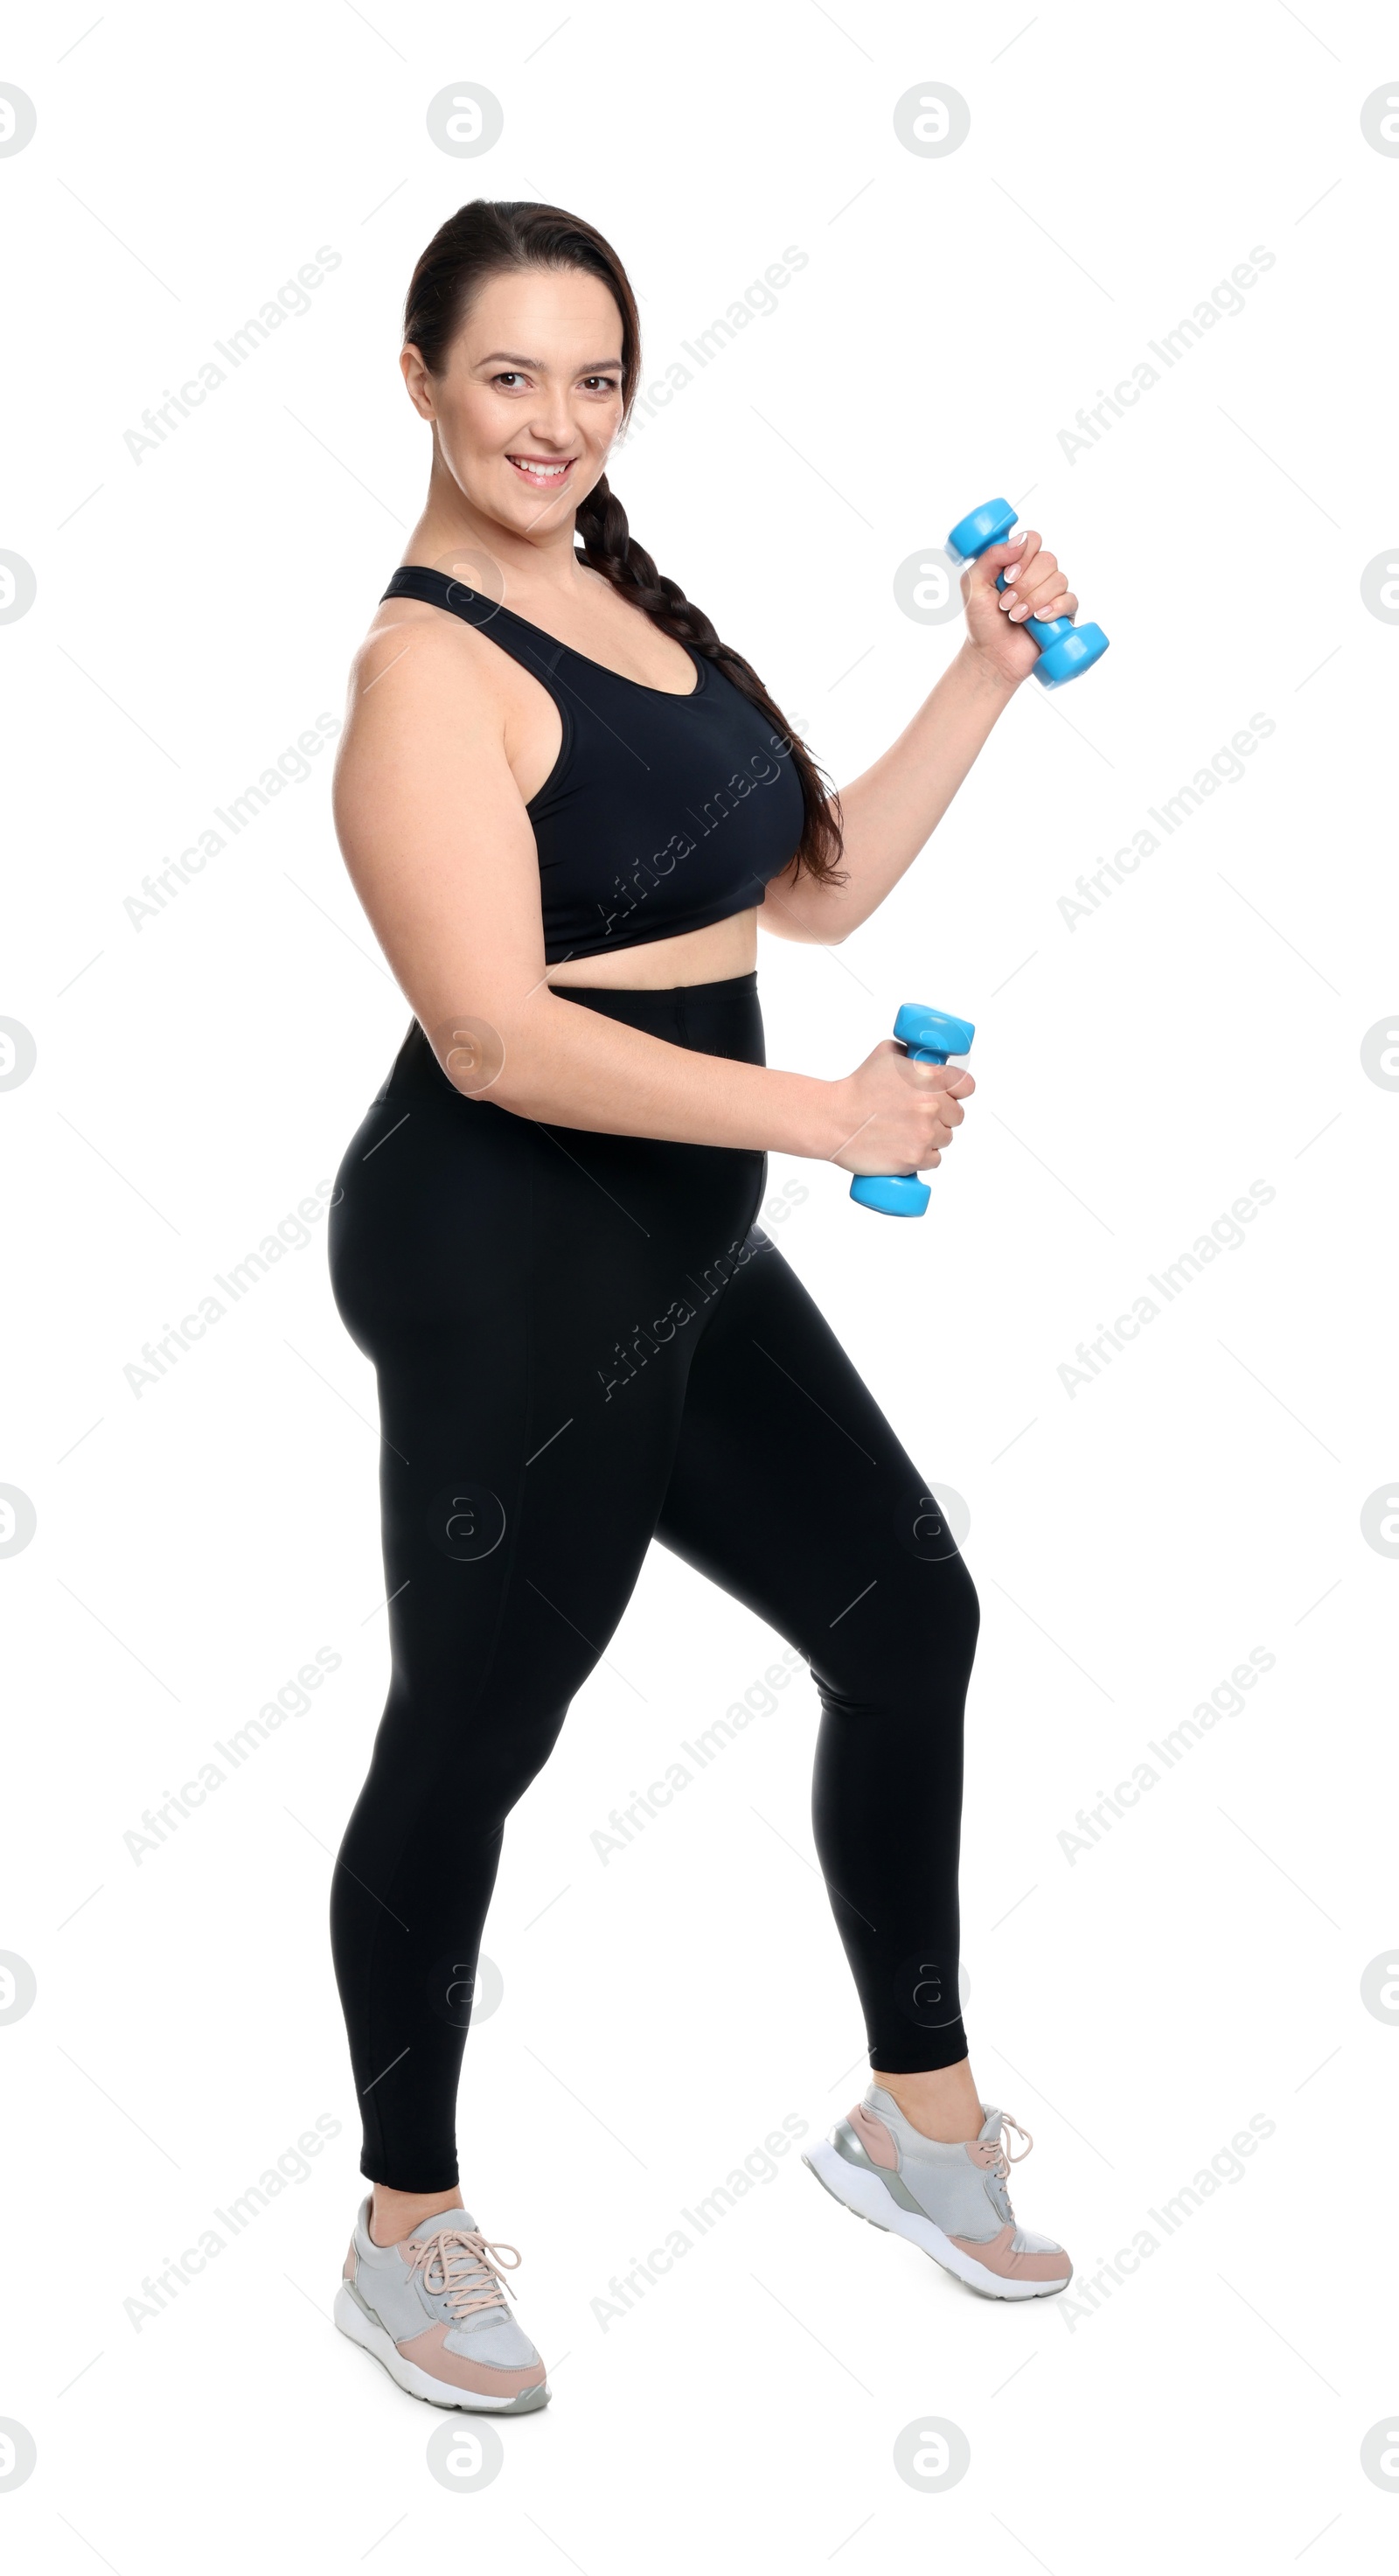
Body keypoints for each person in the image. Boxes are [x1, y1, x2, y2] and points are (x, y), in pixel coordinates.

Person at [327, 198, 1075, 2416]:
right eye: (508, 378)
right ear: (421, 384)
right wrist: (824, 1128)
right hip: (502, 1249)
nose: (553, 421)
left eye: (592, 379)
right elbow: (493, 1040)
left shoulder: (626, 607)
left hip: (672, 1241)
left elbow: (814, 888)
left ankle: (911, 2123)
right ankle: (401, 2228)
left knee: (903, 1613)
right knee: (474, 1741)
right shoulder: (423, 671)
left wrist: (981, 669)